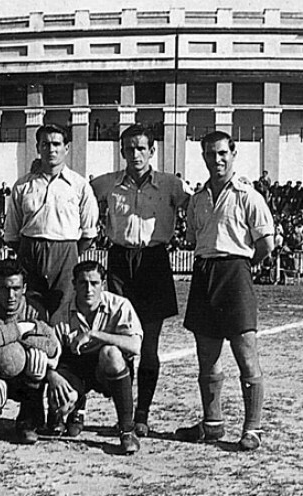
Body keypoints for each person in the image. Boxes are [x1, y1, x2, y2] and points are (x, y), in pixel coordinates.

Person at [175, 131, 274, 451]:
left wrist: (241, 268)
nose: (216, 160)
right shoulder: (198, 197)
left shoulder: (249, 195)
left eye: (222, 154)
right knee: (208, 356)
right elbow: (192, 239)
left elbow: (266, 245)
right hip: (204, 273)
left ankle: (253, 428)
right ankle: (212, 424)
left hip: (235, 273)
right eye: (209, 154)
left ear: (233, 155)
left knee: (246, 354)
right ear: (203, 157)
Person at [91, 123, 192, 436]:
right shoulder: (104, 184)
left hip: (154, 262)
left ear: (152, 151)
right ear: (122, 151)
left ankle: (142, 414)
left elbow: (198, 207)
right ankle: (124, 414)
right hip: (119, 261)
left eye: (141, 148)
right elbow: (79, 202)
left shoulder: (172, 185)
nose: (135, 154)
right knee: (121, 342)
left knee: (148, 346)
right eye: (129, 148)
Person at [47, 261, 143, 455]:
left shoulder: (120, 305)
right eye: (83, 283)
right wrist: (52, 376)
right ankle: (73, 409)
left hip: (105, 369)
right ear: (74, 284)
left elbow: (135, 345)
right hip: (77, 367)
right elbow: (50, 354)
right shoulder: (61, 314)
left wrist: (94, 334)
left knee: (111, 353)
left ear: (103, 283)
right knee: (61, 403)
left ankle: (127, 430)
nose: (88, 289)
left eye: (94, 283)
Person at [4, 123, 99, 314]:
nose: (51, 149)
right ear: (38, 147)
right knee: (30, 308)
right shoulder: (23, 185)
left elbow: (89, 233)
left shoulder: (79, 185)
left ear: (66, 147)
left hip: (65, 252)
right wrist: (31, 249)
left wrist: (68, 252)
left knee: (64, 308)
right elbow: (12, 234)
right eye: (45, 144)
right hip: (30, 251)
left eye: (56, 144)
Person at [0, 259, 59, 444]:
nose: (11, 295)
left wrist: (13, 337)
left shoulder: (34, 308)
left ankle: (27, 419)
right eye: (5, 288)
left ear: (24, 287)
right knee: (1, 362)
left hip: (25, 376)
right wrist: (22, 329)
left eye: (16, 288)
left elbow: (51, 345)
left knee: (37, 358)